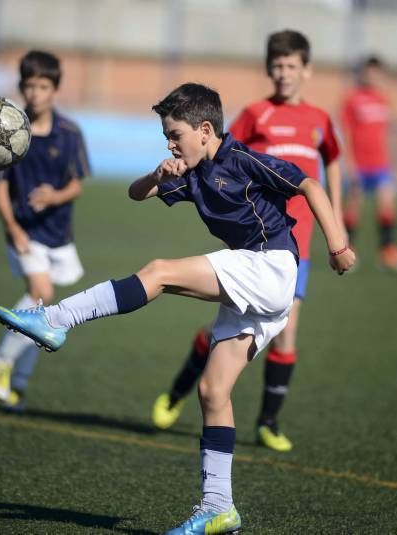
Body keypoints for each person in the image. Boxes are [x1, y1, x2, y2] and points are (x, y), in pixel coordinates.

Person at [0, 82, 354, 534]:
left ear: (205, 130)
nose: (169, 143)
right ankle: (219, 507)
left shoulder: (242, 159)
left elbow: (311, 185)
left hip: (270, 267)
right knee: (212, 393)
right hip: (257, 288)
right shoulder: (190, 170)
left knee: (159, 271)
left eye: (175, 134)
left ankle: (55, 319)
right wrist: (157, 176)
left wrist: (338, 245)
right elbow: (134, 194)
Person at [150, 29, 344, 453]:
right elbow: (219, 155)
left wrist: (339, 227)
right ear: (268, 69)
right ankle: (178, 392)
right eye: (276, 65)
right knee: (220, 335)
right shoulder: (255, 115)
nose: (283, 73)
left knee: (287, 333)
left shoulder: (320, 119)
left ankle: (268, 422)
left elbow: (330, 165)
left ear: (306, 70)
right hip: (254, 242)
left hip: (297, 244)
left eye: (291, 65)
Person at [0, 50, 90, 411]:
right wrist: (12, 227)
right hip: (24, 230)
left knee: (43, 310)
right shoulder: (9, 131)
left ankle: (19, 382)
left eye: (43, 86)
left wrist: (55, 196)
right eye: (29, 86)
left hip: (58, 234)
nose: (36, 94)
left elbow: (77, 185)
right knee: (40, 291)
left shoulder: (70, 132)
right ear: (22, 88)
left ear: (54, 89)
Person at [340, 54, 397, 272]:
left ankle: (388, 251)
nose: (373, 76)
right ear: (363, 73)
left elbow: (382, 134)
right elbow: (346, 133)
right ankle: (346, 251)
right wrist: (349, 164)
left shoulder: (383, 99)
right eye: (369, 71)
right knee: (353, 207)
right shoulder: (352, 99)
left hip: (380, 165)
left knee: (388, 202)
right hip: (359, 165)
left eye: (377, 72)